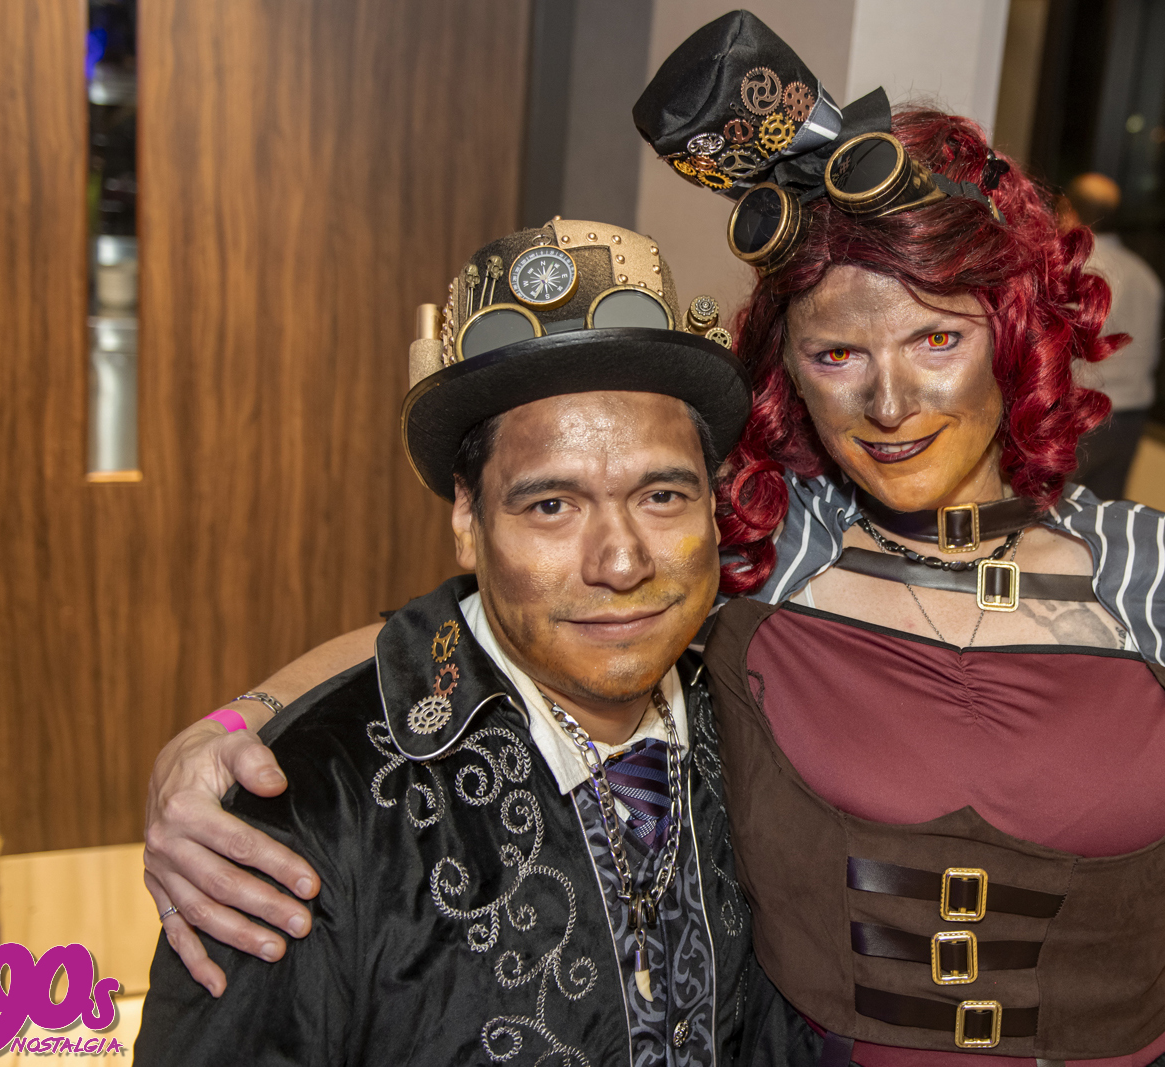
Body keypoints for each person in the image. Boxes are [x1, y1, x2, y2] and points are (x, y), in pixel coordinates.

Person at [141, 12, 1165, 1066]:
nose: (889, 402)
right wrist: (231, 727)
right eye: (837, 354)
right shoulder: (771, 543)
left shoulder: (1160, 568)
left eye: (936, 340)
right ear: (788, 372)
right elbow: (487, 624)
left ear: (1008, 334)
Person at [134, 219, 778, 1065]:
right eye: (552, 506)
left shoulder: (760, 724)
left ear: (715, 510)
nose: (621, 561)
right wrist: (232, 723)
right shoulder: (307, 817)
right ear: (468, 520)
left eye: (662, 496)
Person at [1060, 172, 1165, 500]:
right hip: (1130, 419)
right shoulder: (1145, 274)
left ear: (1069, 211)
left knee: (1048, 514)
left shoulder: (1073, 271)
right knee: (1104, 515)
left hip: (1080, 415)